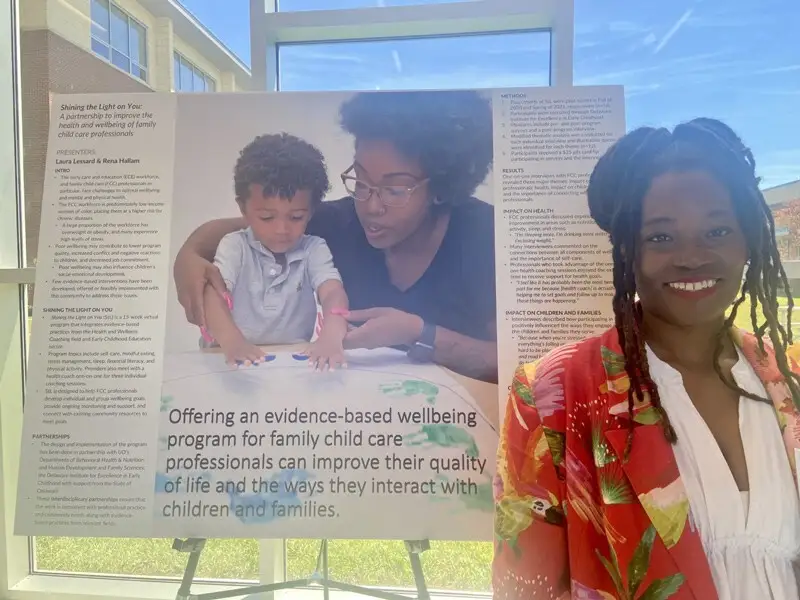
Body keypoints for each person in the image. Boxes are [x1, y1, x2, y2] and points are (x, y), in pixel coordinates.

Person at [493, 118, 800, 599]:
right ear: (626, 250)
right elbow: (526, 588)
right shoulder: (552, 395)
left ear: (748, 243)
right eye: (661, 237)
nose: (692, 257)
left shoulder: (792, 381)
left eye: (717, 230)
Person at [173, 90, 497, 382]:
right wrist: (188, 256)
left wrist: (418, 333)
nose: (370, 206)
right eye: (361, 180)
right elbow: (235, 229)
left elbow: (516, 365)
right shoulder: (337, 222)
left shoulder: (485, 237)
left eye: (395, 190)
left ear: (441, 187)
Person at [202, 133, 349, 371]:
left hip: (289, 362)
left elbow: (333, 293)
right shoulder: (234, 246)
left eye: (296, 217)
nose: (282, 229)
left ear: (311, 212)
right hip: (227, 358)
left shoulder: (314, 249)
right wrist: (233, 341)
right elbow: (212, 296)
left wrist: (331, 337)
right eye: (267, 217)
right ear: (244, 209)